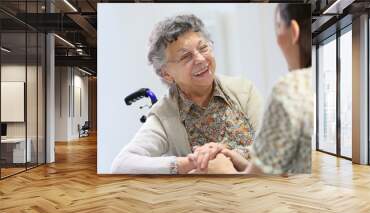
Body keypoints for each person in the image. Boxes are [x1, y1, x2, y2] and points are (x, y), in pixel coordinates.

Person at [111, 14, 263, 174]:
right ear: (166, 74)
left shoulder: (243, 89)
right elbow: (121, 165)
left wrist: (227, 154)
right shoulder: (163, 116)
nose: (200, 59)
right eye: (185, 56)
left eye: (203, 47)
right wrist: (190, 163)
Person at [189, 3, 314, 175]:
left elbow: (262, 180)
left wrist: (224, 170)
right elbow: (272, 167)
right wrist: (232, 155)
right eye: (186, 56)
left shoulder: (289, 88)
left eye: (278, 26)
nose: (200, 60)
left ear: (293, 31)